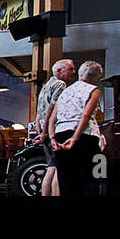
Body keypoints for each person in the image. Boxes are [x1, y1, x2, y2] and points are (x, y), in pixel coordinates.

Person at [47, 60, 105, 196]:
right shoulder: (94, 91)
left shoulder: (65, 92)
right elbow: (86, 115)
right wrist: (75, 138)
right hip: (86, 137)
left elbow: (52, 119)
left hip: (61, 136)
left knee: (66, 181)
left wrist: (52, 138)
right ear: (96, 77)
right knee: (92, 178)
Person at [34, 59, 76, 196]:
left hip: (46, 132)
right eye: (70, 69)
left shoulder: (46, 85)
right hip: (54, 132)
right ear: (59, 71)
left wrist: (39, 131)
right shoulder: (60, 84)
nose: (74, 72)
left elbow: (39, 112)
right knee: (58, 169)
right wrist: (46, 132)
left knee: (51, 168)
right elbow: (52, 109)